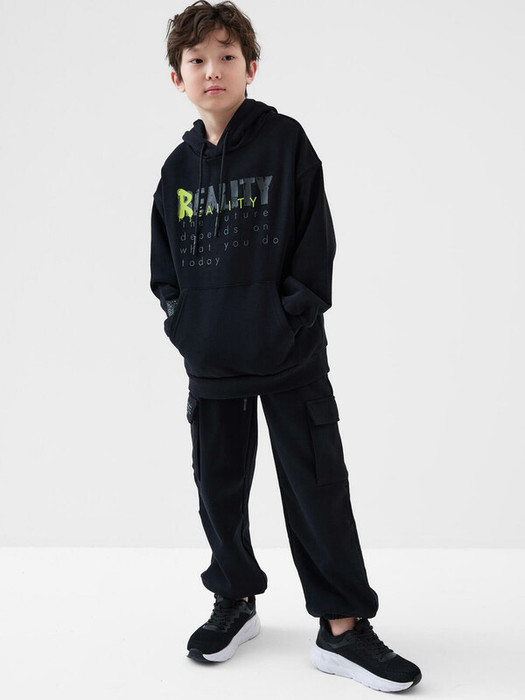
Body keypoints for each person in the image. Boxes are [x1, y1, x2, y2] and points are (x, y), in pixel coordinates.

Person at [150, 0, 422, 692]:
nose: (212, 70)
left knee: (316, 488)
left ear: (251, 67)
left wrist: (287, 318)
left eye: (227, 56)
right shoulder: (176, 170)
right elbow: (164, 269)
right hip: (212, 362)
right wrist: (188, 325)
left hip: (290, 355)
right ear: (177, 77)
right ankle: (233, 599)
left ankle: (343, 628)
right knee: (218, 487)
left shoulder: (285, 142)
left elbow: (314, 243)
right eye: (197, 60)